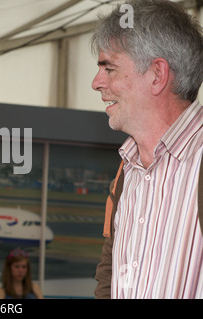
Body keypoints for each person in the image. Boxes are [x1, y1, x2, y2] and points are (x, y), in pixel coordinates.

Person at [91, 0, 203, 298]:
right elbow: (109, 277)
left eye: (109, 68)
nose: (96, 83)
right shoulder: (128, 171)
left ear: (157, 75)